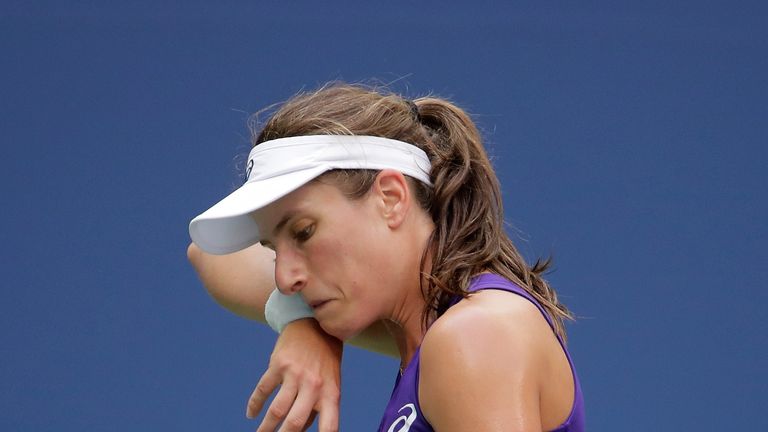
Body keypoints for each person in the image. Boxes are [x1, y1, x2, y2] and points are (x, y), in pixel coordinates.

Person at [188, 83, 585, 431]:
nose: (285, 278)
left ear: (390, 199)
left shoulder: (473, 335)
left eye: (304, 232)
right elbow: (207, 253)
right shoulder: (433, 328)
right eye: (273, 248)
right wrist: (299, 322)